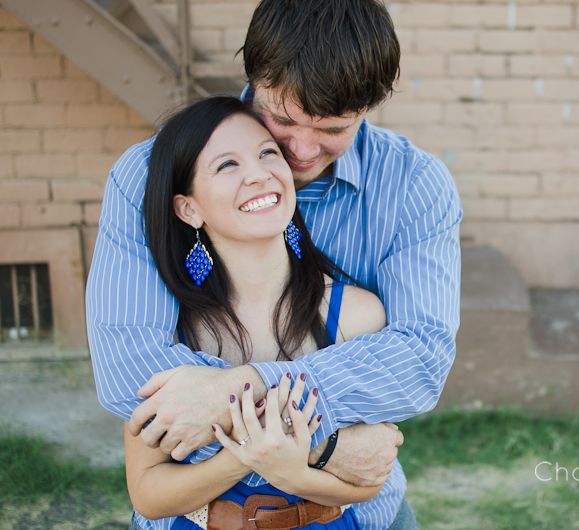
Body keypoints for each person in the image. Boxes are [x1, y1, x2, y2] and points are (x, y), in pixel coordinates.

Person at [86, 1, 462, 528]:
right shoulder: (148, 176)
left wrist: (237, 387)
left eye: (333, 127)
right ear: (254, 78)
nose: (301, 151)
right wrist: (327, 444)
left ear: (371, 106)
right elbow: (130, 379)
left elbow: (419, 360)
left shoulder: (414, 187)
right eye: (282, 119)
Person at [126, 96, 385, 529]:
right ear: (189, 208)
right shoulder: (171, 330)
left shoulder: (355, 316)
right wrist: (244, 455)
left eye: (268, 153)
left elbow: (370, 478)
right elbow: (148, 493)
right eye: (227, 165)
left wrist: (292, 471)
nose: (259, 174)